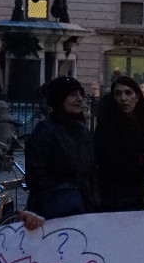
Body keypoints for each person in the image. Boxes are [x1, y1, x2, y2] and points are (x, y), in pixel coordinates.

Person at [92, 76, 144, 212]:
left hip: (138, 196)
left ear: (137, 97)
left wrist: (142, 160)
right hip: (111, 197)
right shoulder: (106, 126)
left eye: (128, 93)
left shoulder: (143, 125)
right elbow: (113, 162)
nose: (123, 98)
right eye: (118, 93)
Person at [24, 76, 95, 218]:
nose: (80, 99)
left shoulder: (82, 131)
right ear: (59, 99)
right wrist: (63, 193)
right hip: (53, 210)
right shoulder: (45, 130)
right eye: (72, 94)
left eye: (80, 94)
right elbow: (36, 175)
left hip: (83, 209)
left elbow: (92, 171)